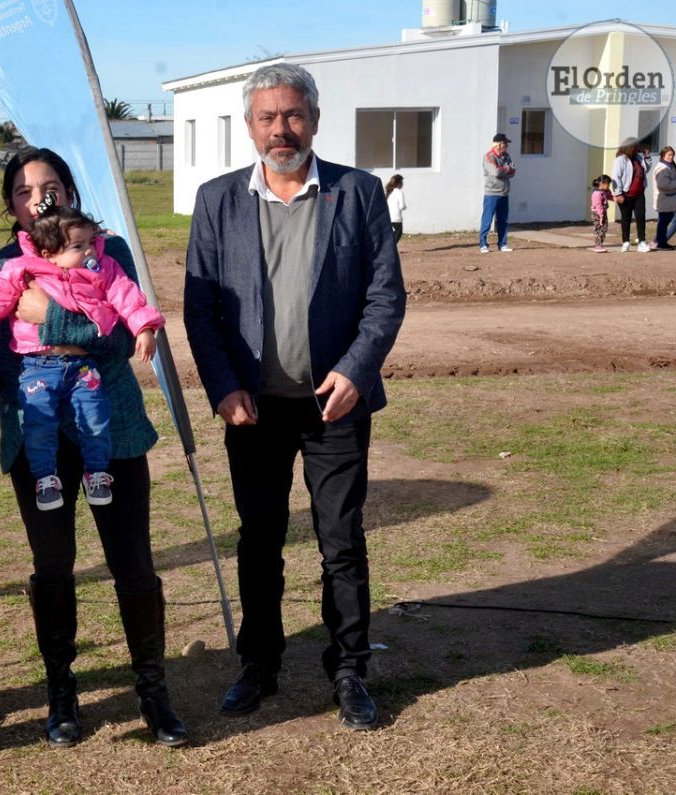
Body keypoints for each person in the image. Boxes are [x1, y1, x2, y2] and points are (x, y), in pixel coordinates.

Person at [183, 64, 406, 731]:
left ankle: (349, 669)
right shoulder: (217, 199)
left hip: (333, 403)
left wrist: (357, 371)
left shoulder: (358, 192)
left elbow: (385, 295)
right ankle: (259, 663)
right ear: (249, 125)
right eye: (267, 117)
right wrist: (223, 387)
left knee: (340, 539)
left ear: (314, 116)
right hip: (253, 409)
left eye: (292, 114)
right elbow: (201, 309)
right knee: (259, 538)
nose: (281, 129)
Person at [0, 146, 188, 748]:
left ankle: (153, 692)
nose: (41, 196)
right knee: (54, 567)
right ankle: (61, 692)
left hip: (110, 430)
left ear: (70, 191)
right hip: (37, 437)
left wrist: (50, 320)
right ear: (11, 206)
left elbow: (118, 342)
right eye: (24, 189)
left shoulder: (107, 253)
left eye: (53, 184)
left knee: (133, 565)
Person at [0, 202, 164, 511]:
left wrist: (145, 328)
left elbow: (127, 297)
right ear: (49, 253)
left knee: (94, 416)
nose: (89, 253)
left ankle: (97, 471)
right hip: (37, 365)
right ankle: (45, 477)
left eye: (90, 243)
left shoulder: (105, 267)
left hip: (84, 365)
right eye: (78, 247)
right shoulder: (22, 268)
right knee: (38, 420)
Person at [611, 137, 652, 253]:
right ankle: (625, 242)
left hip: (639, 193)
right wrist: (618, 193)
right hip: (626, 194)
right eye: (636, 146)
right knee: (626, 218)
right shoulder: (620, 160)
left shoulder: (638, 158)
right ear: (630, 147)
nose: (639, 148)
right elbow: (615, 177)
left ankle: (642, 242)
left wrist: (647, 157)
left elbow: (646, 169)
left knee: (640, 217)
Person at [479, 132, 515, 253]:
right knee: (487, 220)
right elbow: (495, 172)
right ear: (498, 144)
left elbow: (513, 172)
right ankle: (483, 244)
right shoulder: (489, 156)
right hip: (491, 193)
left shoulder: (507, 156)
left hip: (504, 193)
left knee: (503, 220)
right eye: (505, 144)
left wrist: (505, 170)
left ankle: (502, 244)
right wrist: (506, 169)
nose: (506, 146)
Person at [650, 145, 676, 251]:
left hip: (670, 200)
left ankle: (658, 241)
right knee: (663, 222)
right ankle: (660, 242)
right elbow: (663, 184)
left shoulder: (670, 166)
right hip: (665, 200)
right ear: (663, 155)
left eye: (672, 155)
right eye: (669, 155)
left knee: (666, 221)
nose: (671, 157)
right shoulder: (662, 168)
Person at [590, 175, 612, 254]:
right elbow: (598, 205)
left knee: (604, 228)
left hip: (602, 213)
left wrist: (615, 198)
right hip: (597, 214)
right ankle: (598, 245)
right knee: (599, 229)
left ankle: (599, 245)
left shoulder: (603, 192)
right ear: (602, 183)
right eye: (608, 184)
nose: (609, 186)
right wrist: (601, 216)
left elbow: (609, 196)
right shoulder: (597, 193)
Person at [385, 174, 406, 244]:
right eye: (402, 182)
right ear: (398, 183)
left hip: (389, 216)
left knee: (391, 234)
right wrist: (405, 207)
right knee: (398, 233)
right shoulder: (399, 192)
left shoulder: (389, 192)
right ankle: (391, 247)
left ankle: (390, 247)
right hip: (397, 217)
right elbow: (402, 206)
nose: (403, 184)